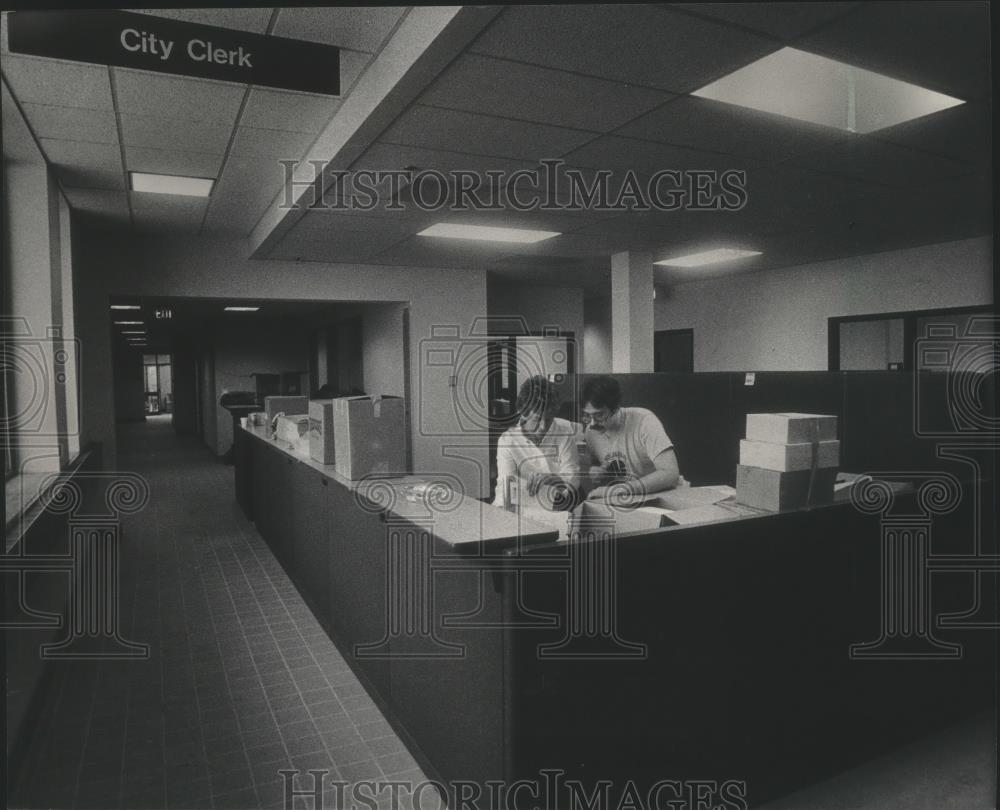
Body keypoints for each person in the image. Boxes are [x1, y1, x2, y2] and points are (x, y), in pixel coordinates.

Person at [580, 375, 681, 500]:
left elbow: (670, 474)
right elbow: (601, 467)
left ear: (616, 408)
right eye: (587, 416)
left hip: (665, 496)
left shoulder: (645, 421)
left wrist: (617, 490)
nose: (592, 423)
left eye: (599, 415)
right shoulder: (591, 432)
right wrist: (598, 472)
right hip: (627, 499)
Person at [493, 376, 581, 512]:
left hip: (556, 507)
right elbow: (507, 486)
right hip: (518, 508)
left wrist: (554, 479)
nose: (543, 426)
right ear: (523, 413)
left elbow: (574, 477)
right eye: (537, 419)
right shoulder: (508, 441)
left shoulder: (564, 432)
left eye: (549, 418)